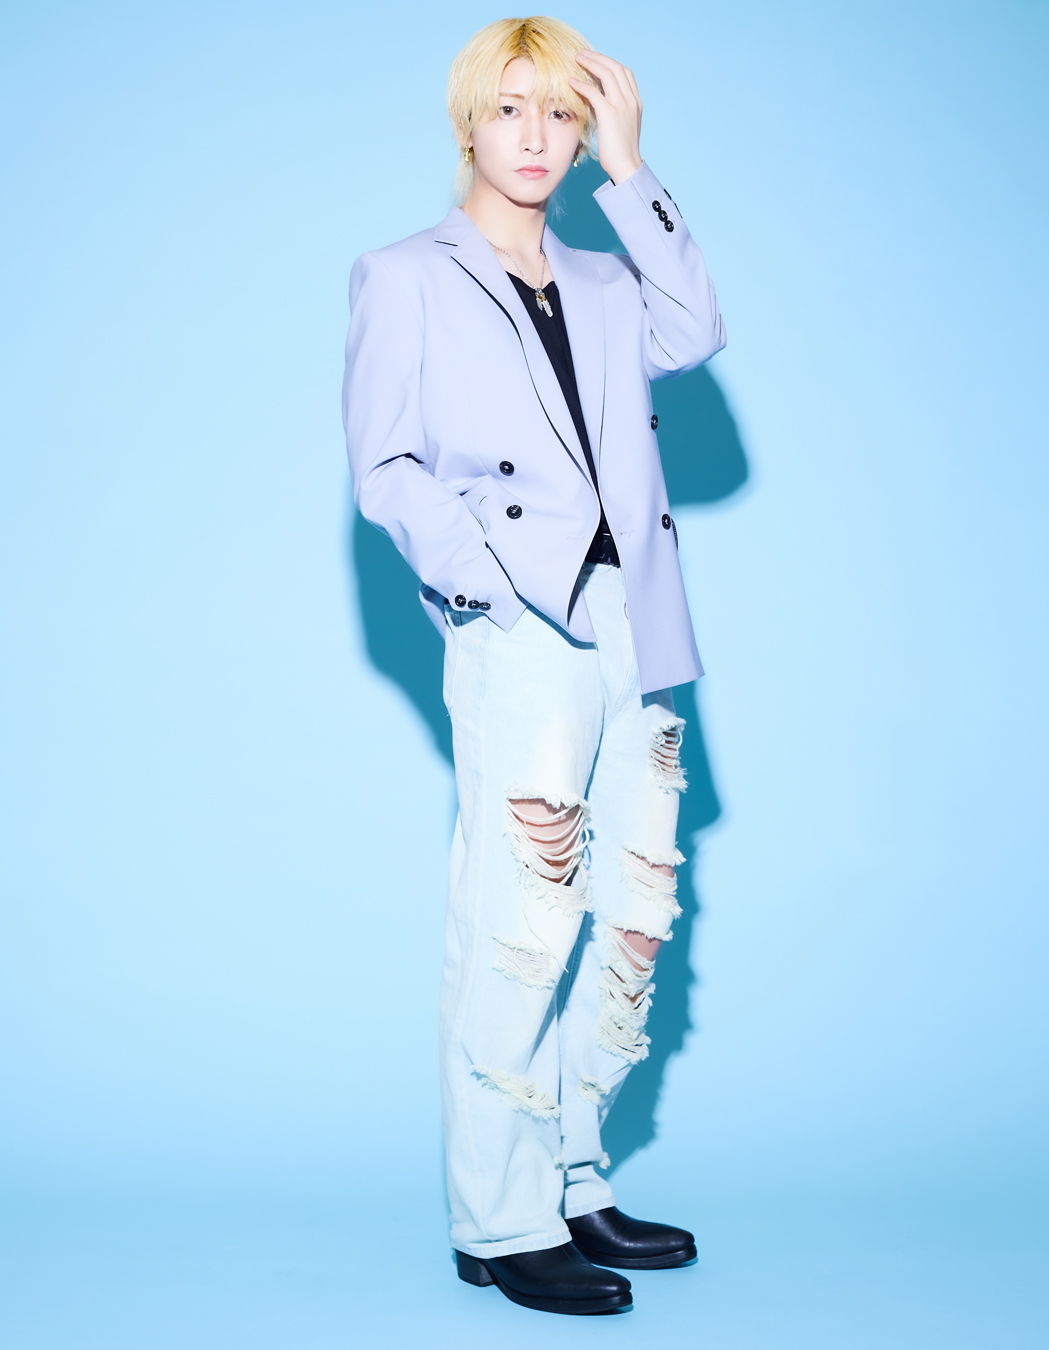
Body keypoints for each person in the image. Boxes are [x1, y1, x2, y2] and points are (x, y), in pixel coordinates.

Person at [342, 15, 724, 1316]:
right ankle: (499, 1218)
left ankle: (574, 1176)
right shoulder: (404, 276)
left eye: (560, 111)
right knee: (521, 918)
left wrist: (633, 167)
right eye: (511, 107)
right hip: (522, 626)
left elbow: (697, 326)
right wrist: (491, 588)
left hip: (637, 620)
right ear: (468, 121)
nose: (536, 135)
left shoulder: (608, 282)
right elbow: (385, 466)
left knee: (632, 908)